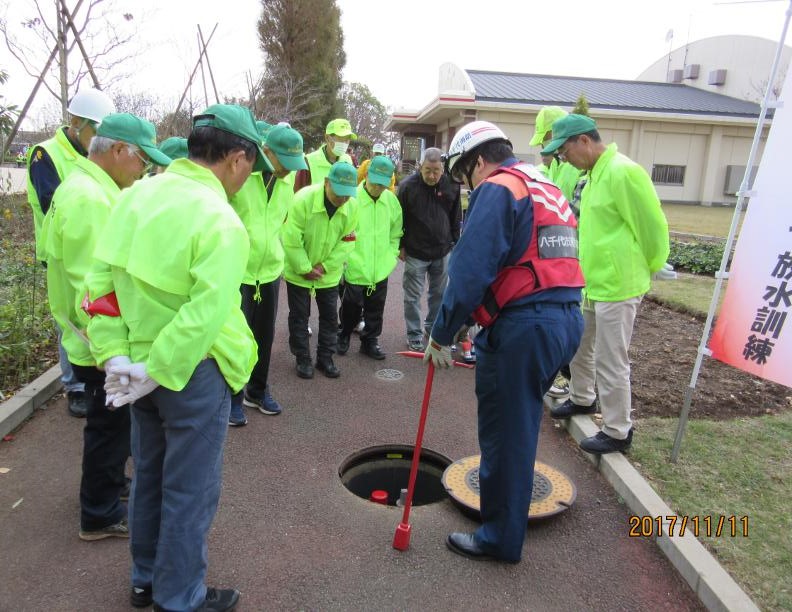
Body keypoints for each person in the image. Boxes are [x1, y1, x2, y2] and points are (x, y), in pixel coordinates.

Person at [86, 104, 263, 612]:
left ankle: (145, 578)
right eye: (250, 165)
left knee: (149, 476)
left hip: (135, 365)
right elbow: (204, 316)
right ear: (235, 158)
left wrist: (116, 356)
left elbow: (98, 284)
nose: (247, 176)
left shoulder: (137, 195)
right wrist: (158, 368)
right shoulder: (221, 221)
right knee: (189, 490)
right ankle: (178, 595)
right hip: (192, 371)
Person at [424, 120, 584, 563]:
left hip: (525, 327)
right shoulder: (542, 184)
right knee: (521, 425)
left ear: (477, 161)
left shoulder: (498, 188)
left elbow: (469, 271)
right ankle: (505, 517)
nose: (465, 185)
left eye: (462, 175)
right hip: (565, 319)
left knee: (505, 435)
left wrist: (441, 334)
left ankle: (499, 538)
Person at [41, 113, 170, 542]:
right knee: (108, 424)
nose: (143, 171)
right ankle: (98, 511)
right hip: (97, 338)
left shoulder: (84, 187)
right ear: (118, 151)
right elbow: (93, 285)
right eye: (140, 161)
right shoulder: (91, 200)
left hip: (91, 334)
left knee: (110, 424)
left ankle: (107, 486)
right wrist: (114, 345)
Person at [541, 114, 669, 454]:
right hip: (590, 282)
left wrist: (650, 267)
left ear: (584, 141)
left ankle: (617, 430)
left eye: (565, 150)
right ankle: (583, 398)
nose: (563, 158)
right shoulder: (593, 175)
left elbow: (652, 227)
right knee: (580, 348)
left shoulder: (623, 172)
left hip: (620, 285)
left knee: (613, 359)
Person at [27, 87, 116, 417]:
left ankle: (84, 378)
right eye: (96, 130)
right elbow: (50, 197)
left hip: (87, 239)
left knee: (85, 305)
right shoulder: (45, 153)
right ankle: (75, 385)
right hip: (60, 246)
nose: (98, 138)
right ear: (77, 122)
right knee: (69, 315)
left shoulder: (87, 155)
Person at [227, 123, 306, 425]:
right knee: (237, 338)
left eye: (293, 164)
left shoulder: (286, 184)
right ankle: (234, 395)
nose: (288, 170)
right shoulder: (242, 177)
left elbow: (278, 225)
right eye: (283, 162)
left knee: (264, 337)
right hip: (239, 271)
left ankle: (257, 390)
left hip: (270, 271)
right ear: (266, 151)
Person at [282, 161, 359, 379]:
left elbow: (348, 241)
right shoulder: (303, 199)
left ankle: (325, 358)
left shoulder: (351, 206)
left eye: (348, 194)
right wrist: (304, 267)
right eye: (339, 193)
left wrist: (325, 266)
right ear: (327, 182)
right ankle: (302, 359)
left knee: (329, 318)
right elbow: (290, 237)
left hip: (328, 274)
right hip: (299, 272)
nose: (343, 199)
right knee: (299, 317)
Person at [337, 155, 402, 359]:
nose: (377, 188)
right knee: (351, 307)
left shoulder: (391, 201)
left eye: (383, 185)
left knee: (376, 308)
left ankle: (370, 340)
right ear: (367, 176)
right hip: (355, 264)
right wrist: (346, 260)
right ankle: (345, 334)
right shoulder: (352, 197)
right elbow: (341, 231)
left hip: (380, 266)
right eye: (374, 182)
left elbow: (396, 232)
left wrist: (391, 257)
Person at [397, 147, 461, 351]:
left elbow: (456, 216)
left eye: (436, 171)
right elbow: (399, 219)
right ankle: (414, 334)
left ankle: (432, 327)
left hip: (442, 250)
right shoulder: (407, 187)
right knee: (412, 296)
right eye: (427, 170)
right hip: (415, 251)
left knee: (439, 295)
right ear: (420, 167)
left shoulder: (451, 184)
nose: (432, 175)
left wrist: (454, 243)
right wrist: (400, 246)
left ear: (443, 168)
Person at [293, 118, 356, 191]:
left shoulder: (348, 161)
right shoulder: (309, 162)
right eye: (340, 138)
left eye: (347, 139)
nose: (344, 143)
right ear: (327, 138)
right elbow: (299, 196)